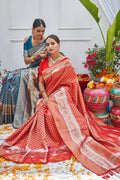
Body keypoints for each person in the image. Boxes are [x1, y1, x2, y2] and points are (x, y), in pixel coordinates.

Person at [0, 34, 120, 176]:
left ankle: (72, 137)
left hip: (63, 97)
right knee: (43, 112)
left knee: (55, 108)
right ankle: (48, 139)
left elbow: (72, 85)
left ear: (58, 45)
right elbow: (40, 83)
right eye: (48, 44)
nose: (50, 46)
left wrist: (58, 95)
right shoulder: (44, 62)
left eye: (53, 44)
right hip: (47, 96)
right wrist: (44, 96)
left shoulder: (66, 62)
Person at [0, 19, 47, 128]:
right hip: (30, 67)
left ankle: (22, 115)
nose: (40, 34)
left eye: (43, 31)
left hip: (40, 70)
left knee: (18, 79)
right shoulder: (27, 40)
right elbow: (26, 61)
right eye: (38, 31)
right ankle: (8, 115)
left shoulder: (46, 42)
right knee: (9, 77)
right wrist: (34, 57)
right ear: (32, 29)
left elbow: (48, 61)